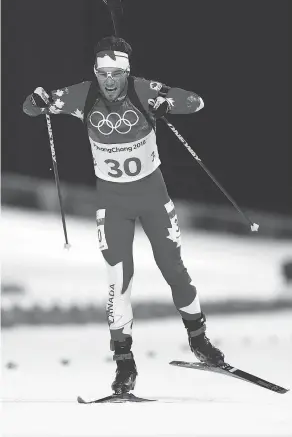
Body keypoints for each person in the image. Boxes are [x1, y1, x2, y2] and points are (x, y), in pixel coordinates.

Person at [23, 36, 225, 395]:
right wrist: (38, 100)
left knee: (173, 268)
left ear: (127, 72)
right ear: (95, 73)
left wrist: (167, 102)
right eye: (102, 73)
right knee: (118, 279)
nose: (109, 80)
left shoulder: (143, 91)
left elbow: (196, 101)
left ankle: (199, 340)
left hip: (153, 197)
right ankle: (124, 365)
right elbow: (31, 107)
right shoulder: (83, 95)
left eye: (116, 73)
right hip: (112, 203)